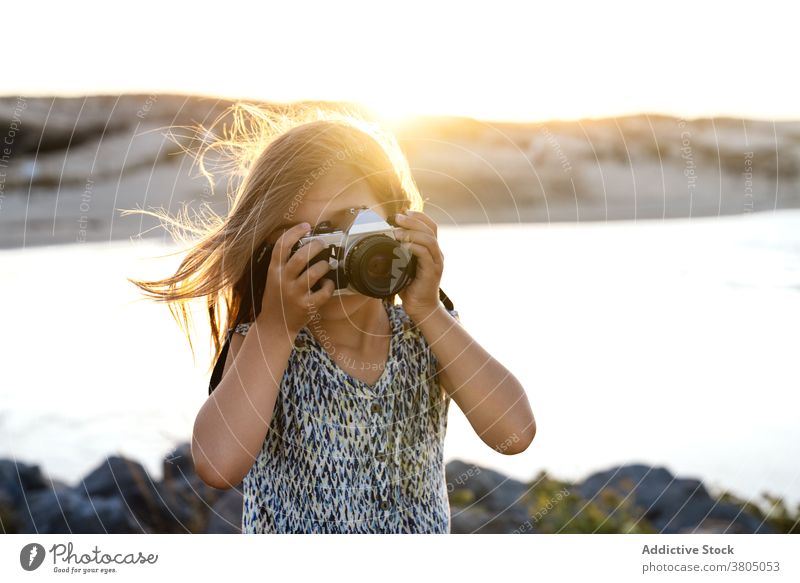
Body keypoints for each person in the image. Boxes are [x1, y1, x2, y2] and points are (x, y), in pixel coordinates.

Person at [128, 104, 536, 533]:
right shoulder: (264, 343)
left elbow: (515, 433)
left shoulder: (426, 332)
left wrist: (429, 308)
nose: (338, 252)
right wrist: (275, 328)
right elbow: (217, 466)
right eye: (312, 237)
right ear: (272, 251)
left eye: (353, 222)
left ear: (398, 219)